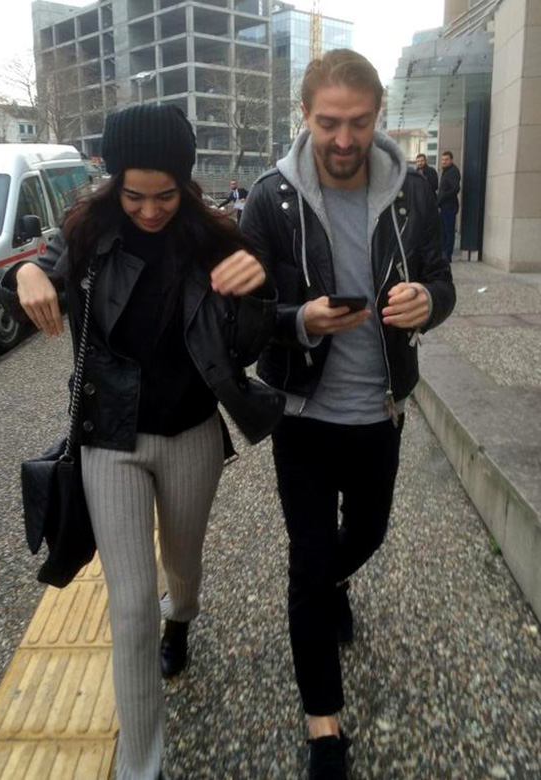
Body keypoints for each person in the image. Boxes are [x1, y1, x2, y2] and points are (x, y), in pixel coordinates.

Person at [2, 104, 284, 780]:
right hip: (109, 439)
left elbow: (246, 345)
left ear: (184, 184)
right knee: (130, 607)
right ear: (113, 178)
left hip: (191, 433)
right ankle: (141, 766)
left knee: (181, 565)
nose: (150, 210)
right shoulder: (86, 230)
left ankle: (181, 616)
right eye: (135, 195)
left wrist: (257, 292)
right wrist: (24, 276)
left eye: (165, 195)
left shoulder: (215, 239)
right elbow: (41, 272)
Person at [241, 49, 455, 779]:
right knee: (308, 562)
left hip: (380, 411)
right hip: (302, 416)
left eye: (359, 122)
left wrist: (429, 303)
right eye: (329, 122)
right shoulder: (269, 198)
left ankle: (332, 585)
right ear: (304, 115)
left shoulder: (411, 191)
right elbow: (244, 320)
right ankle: (324, 727)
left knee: (366, 533)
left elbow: (441, 280)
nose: (343, 138)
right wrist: (299, 320)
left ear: (378, 116)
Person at [437, 150, 461, 262]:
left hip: (449, 206)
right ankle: (443, 254)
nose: (444, 161)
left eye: (446, 159)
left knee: (448, 231)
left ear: (451, 160)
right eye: (442, 160)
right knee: (443, 232)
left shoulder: (453, 171)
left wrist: (443, 196)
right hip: (444, 206)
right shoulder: (446, 171)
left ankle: (447, 255)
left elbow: (455, 188)